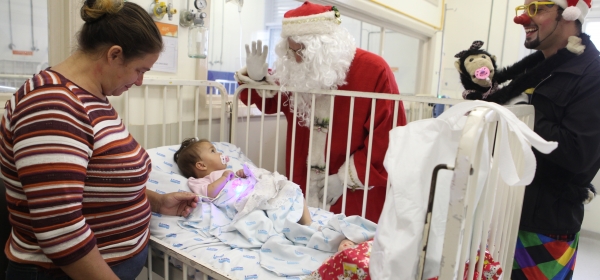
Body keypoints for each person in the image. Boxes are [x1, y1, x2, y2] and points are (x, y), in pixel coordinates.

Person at [0, 1, 199, 279]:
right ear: (115, 55)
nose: (140, 81)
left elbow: (97, 183)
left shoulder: (91, 97)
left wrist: (156, 201)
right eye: (140, 70)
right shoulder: (53, 105)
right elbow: (61, 231)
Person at [234, 1, 406, 222]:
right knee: (305, 239)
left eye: (302, 50)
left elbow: (388, 137)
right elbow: (273, 101)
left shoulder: (374, 70)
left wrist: (346, 178)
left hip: (355, 191)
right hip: (303, 181)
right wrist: (257, 80)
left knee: (351, 246)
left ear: (325, 45)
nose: (296, 58)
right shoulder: (297, 70)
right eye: (291, 50)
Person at [508, 1, 600, 279]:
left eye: (537, 8)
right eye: (523, 8)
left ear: (569, 15)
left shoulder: (592, 74)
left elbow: (578, 152)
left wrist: (523, 111)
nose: (524, 18)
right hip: (506, 213)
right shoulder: (538, 67)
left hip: (545, 226)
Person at [173, 138, 312, 225]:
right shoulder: (200, 181)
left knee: (290, 189)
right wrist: (223, 178)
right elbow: (209, 193)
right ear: (201, 165)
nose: (220, 153)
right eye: (213, 151)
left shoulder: (229, 172)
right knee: (260, 218)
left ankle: (308, 224)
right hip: (243, 204)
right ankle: (287, 225)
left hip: (256, 194)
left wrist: (244, 175)